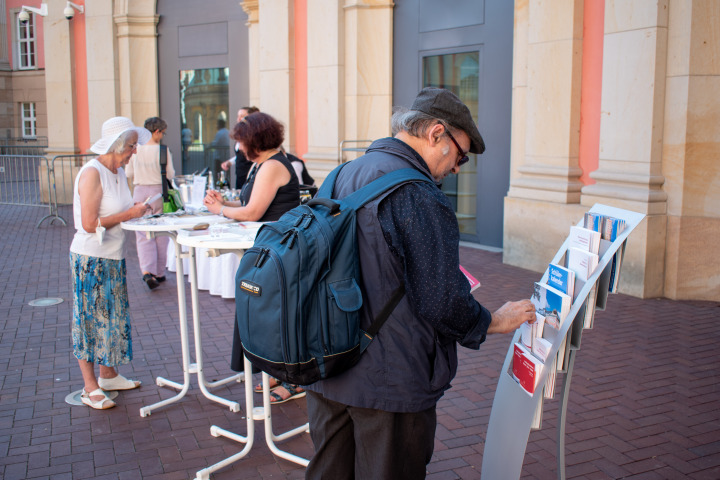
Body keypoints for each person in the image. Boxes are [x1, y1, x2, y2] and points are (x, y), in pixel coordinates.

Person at [304, 88, 537, 478]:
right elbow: (440, 300)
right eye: (460, 154)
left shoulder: (342, 173)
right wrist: (493, 320)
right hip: (388, 379)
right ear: (435, 133)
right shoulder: (418, 193)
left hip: (328, 364)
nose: (458, 167)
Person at [204, 112, 305, 404]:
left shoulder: (272, 165)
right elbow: (249, 203)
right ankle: (276, 371)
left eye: (241, 142)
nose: (239, 148)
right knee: (268, 314)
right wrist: (224, 203)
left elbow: (252, 213)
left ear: (254, 142)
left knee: (278, 314)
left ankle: (292, 379)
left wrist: (220, 211)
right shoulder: (264, 164)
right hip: (270, 249)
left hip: (279, 251)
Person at [70, 116, 152, 410]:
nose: (135, 151)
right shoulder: (93, 172)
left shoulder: (117, 172)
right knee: (89, 320)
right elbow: (90, 223)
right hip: (90, 258)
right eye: (131, 146)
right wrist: (130, 214)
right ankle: (89, 387)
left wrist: (137, 210)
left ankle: (109, 375)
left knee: (113, 317)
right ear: (117, 146)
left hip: (113, 256)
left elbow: (118, 211)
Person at [125, 117, 175, 290]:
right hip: (159, 192)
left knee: (143, 234)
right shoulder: (163, 150)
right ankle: (159, 273)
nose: (162, 136)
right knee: (161, 233)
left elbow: (129, 173)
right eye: (162, 132)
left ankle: (147, 271)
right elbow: (170, 174)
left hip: (139, 191)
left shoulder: (135, 149)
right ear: (157, 132)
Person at [220, 106, 260, 189]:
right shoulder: (241, 134)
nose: (238, 119)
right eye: (238, 116)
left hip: (250, 173)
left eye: (242, 116)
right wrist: (230, 162)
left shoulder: (254, 136)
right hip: (239, 174)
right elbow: (240, 154)